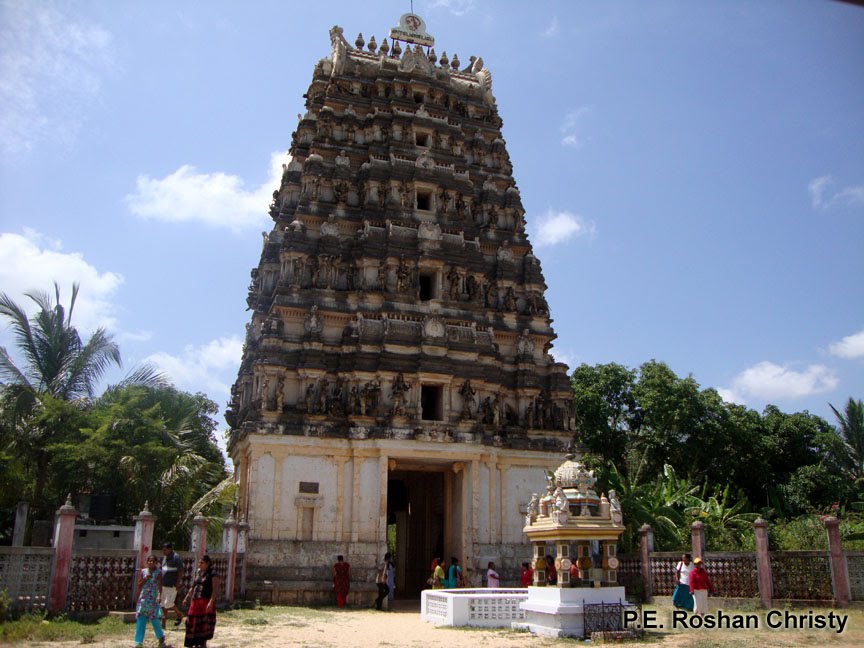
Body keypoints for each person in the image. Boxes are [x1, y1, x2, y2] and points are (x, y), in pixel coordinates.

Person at [183, 554, 219, 648]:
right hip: (196, 601)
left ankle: (203, 643)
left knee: (204, 623)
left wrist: (211, 602)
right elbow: (194, 585)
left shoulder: (213, 574)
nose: (199, 564)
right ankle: (193, 642)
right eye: (199, 562)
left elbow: (215, 589)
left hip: (206, 601)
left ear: (207, 564)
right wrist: (187, 597)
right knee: (191, 621)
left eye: (202, 563)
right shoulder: (199, 572)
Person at [134, 555, 166, 648]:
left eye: (153, 561)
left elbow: (160, 586)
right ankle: (138, 642)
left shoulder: (158, 572)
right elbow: (139, 585)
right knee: (141, 619)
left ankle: (160, 636)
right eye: (149, 561)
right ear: (147, 562)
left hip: (153, 599)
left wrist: (159, 596)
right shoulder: (143, 572)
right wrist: (145, 578)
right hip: (144, 598)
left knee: (154, 618)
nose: (151, 563)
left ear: (156, 563)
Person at [161, 542, 185, 629]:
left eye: (165, 550)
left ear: (170, 549)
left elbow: (181, 570)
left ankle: (179, 614)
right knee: (163, 604)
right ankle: (163, 624)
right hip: (164, 584)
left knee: (168, 603)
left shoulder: (176, 557)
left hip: (172, 584)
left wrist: (178, 583)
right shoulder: (165, 558)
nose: (164, 552)